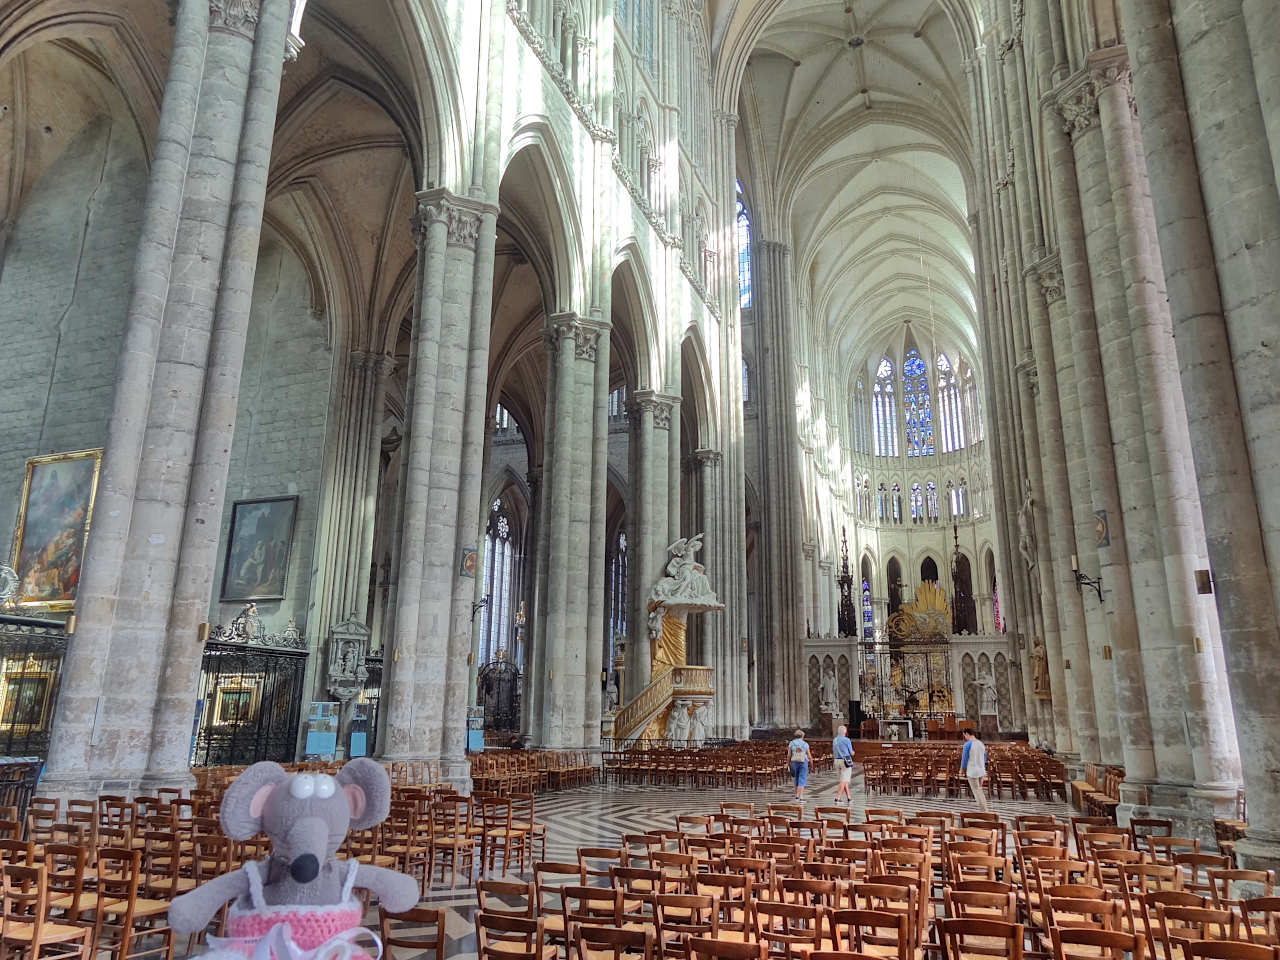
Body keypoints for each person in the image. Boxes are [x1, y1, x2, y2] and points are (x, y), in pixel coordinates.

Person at [961, 727, 989, 812]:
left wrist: (962, 768)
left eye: (964, 735)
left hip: (972, 771)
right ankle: (985, 809)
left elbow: (965, 758)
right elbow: (984, 757)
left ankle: (984, 811)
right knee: (979, 790)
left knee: (977, 792)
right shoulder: (981, 744)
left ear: (967, 734)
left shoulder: (967, 744)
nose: (964, 737)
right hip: (981, 770)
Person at [788, 729, 812, 801]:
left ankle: (796, 795)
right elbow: (809, 755)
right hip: (803, 762)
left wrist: (788, 763)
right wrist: (811, 762)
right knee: (802, 778)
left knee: (796, 778)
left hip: (794, 761)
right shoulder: (805, 744)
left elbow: (789, 755)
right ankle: (800, 796)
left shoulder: (791, 743)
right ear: (802, 736)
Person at [833, 724, 854, 802]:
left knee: (843, 780)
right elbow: (851, 752)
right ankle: (837, 797)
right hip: (844, 761)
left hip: (836, 761)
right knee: (844, 780)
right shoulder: (847, 740)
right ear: (845, 732)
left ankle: (849, 797)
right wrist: (853, 753)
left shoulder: (834, 740)